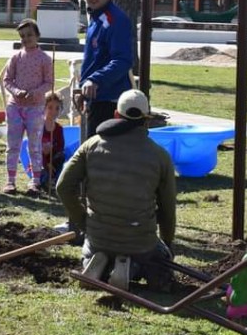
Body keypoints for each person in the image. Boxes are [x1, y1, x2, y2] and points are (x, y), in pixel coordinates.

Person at [56, 89, 176, 292]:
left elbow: (63, 187)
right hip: (140, 241)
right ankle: (130, 269)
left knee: (93, 248)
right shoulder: (160, 156)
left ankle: (95, 264)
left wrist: (84, 221)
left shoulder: (91, 146)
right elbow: (167, 208)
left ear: (116, 115)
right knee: (159, 259)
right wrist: (168, 242)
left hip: (98, 238)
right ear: (146, 119)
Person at [77, 0, 135, 138]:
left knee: (101, 157)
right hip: (95, 99)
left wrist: (95, 80)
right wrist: (84, 88)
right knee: (92, 154)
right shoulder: (96, 18)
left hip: (109, 101)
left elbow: (123, 60)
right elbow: (94, 61)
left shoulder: (115, 20)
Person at [1, 19, 53, 196]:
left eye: (29, 35)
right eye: (22, 36)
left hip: (36, 108)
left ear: (37, 35)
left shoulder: (45, 59)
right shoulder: (15, 57)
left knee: (34, 144)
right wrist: (17, 91)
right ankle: (10, 181)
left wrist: (35, 93)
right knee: (13, 144)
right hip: (15, 107)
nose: (26, 39)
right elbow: (7, 80)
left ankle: (35, 181)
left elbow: (49, 83)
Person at [40, 90, 66, 190]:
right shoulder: (39, 126)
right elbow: (34, 146)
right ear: (44, 108)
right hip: (40, 160)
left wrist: (51, 159)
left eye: (57, 108)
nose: (54, 111)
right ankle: (42, 180)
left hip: (53, 161)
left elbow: (60, 146)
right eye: (50, 107)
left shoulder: (59, 129)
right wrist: (46, 164)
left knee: (61, 156)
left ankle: (52, 180)